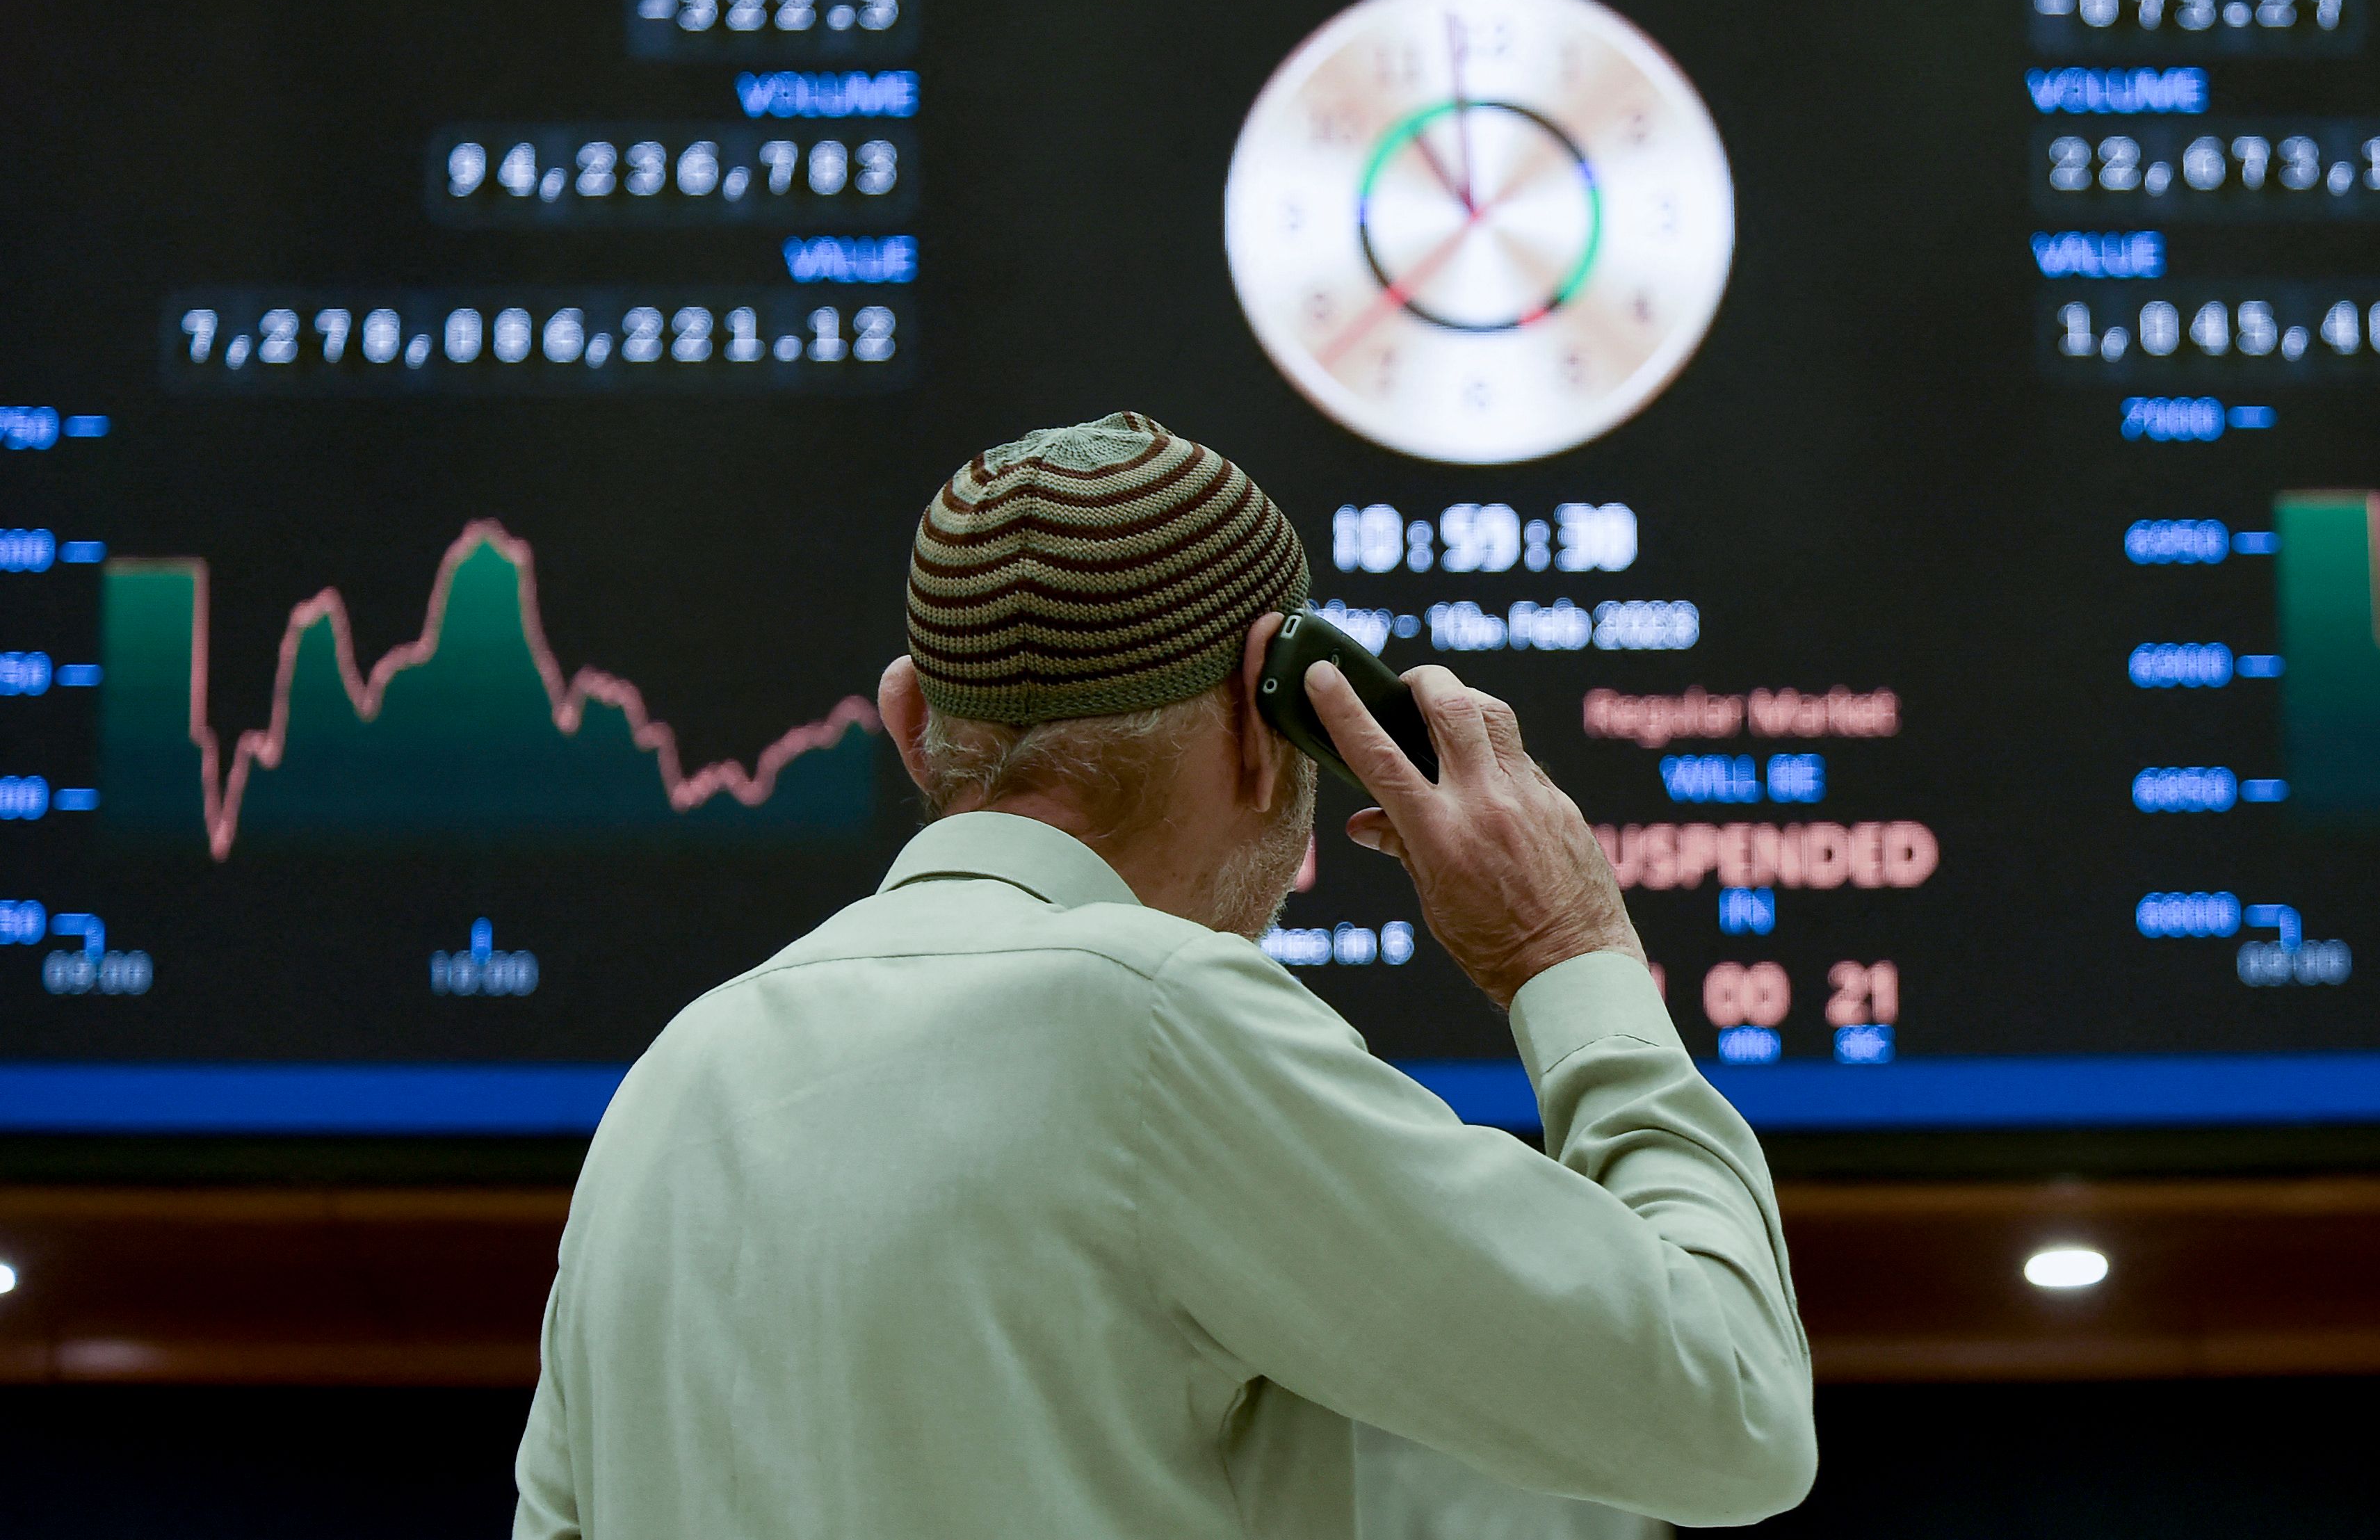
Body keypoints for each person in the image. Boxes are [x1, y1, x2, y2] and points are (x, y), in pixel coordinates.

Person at [514, 412, 1815, 1539]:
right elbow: (1736, 1408)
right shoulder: (1151, 1022)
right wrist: (1564, 951)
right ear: (1273, 720)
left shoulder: (665, 1089)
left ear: (911, 725)